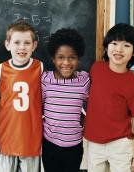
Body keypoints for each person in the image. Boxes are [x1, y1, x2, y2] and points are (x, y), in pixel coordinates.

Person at [84, 23, 134, 172]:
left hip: (120, 143)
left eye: (126, 45)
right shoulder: (96, 68)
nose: (119, 49)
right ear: (107, 47)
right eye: (114, 43)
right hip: (94, 141)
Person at [0, 20, 43, 172]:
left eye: (27, 43)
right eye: (16, 42)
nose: (22, 47)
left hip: (31, 138)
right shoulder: (0, 69)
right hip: (6, 137)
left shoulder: (40, 68)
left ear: (34, 45)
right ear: (7, 44)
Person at [41, 28, 90, 172]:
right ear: (53, 59)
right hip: (50, 144)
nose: (66, 62)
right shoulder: (45, 80)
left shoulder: (84, 80)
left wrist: (84, 119)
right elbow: (38, 106)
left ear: (78, 58)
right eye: (61, 57)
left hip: (74, 146)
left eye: (72, 57)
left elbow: (91, 106)